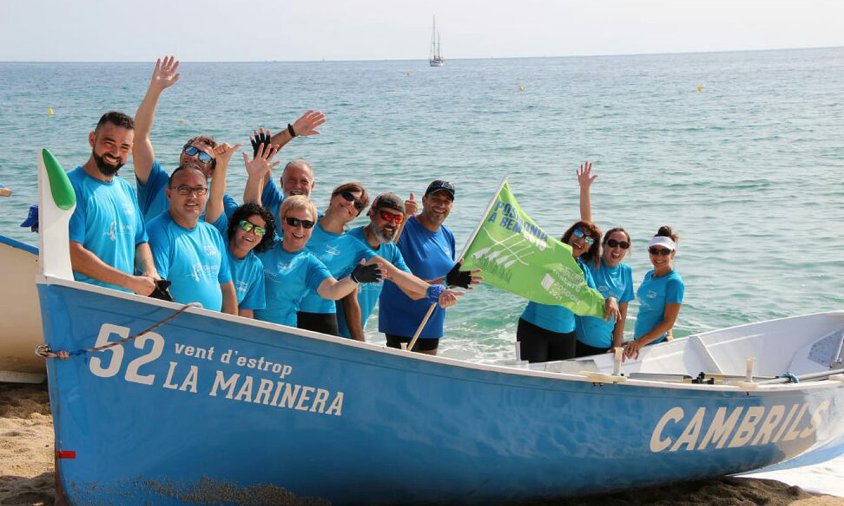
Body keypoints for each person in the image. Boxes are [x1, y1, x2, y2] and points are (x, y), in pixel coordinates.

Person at [133, 56, 324, 221]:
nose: (194, 157)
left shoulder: (221, 203)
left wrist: (255, 177)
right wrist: (155, 90)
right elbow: (140, 137)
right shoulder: (157, 182)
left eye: (205, 157)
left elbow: (250, 219)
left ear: (211, 173)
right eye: (191, 150)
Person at [336, 192, 463, 341]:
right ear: (371, 212)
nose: (392, 223)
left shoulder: (390, 250)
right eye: (387, 216)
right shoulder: (352, 241)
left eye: (398, 219)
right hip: (330, 332)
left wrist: (442, 287)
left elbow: (411, 290)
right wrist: (359, 343)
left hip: (352, 334)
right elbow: (349, 300)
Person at [378, 180, 480, 355]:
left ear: (451, 206)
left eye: (446, 201)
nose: (441, 205)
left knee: (426, 380)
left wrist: (456, 281)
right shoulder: (406, 226)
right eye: (436, 198)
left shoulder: (448, 235)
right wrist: (404, 217)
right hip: (401, 320)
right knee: (405, 380)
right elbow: (385, 253)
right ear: (424, 200)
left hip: (432, 319)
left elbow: (444, 279)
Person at [253, 195, 383, 328]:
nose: (300, 229)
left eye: (307, 224)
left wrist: (354, 279)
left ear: (312, 228)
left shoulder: (310, 264)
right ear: (283, 221)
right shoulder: (265, 243)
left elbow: (332, 290)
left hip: (280, 332)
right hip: (245, 323)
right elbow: (251, 210)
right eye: (294, 221)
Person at [68, 111, 158, 295]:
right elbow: (73, 254)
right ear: (92, 139)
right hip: (86, 300)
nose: (115, 153)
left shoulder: (126, 189)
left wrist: (150, 270)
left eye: (124, 147)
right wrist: (130, 282)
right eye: (108, 143)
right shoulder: (72, 186)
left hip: (125, 301)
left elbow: (140, 240)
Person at [517, 221, 620, 363]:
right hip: (535, 329)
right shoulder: (548, 254)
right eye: (578, 233)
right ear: (569, 234)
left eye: (589, 240)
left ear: (589, 248)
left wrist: (611, 300)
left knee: (559, 383)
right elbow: (521, 260)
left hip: (566, 336)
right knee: (533, 380)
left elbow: (594, 299)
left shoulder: (583, 270)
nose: (581, 240)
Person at [146, 166, 237, 314]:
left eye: (199, 190)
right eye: (184, 189)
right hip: (177, 330)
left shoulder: (212, 233)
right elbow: (155, 293)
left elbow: (226, 287)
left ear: (206, 194)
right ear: (169, 194)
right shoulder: (158, 232)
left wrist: (233, 331)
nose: (192, 196)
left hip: (212, 330)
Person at [205, 140, 279, 318]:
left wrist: (256, 178)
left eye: (259, 231)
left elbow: (246, 310)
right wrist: (222, 164)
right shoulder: (219, 235)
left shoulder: (255, 266)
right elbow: (216, 199)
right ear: (235, 224)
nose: (251, 233)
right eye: (247, 226)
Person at [294, 182, 380, 335]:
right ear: (333, 196)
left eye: (358, 204)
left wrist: (429, 291)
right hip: (285, 310)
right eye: (347, 196)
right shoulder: (304, 220)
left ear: (356, 214)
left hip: (321, 317)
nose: (351, 203)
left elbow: (394, 273)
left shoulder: (353, 246)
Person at [574, 161, 635, 357]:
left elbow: (622, 316)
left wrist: (617, 347)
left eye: (623, 245)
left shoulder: (626, 272)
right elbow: (587, 226)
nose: (617, 249)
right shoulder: (592, 262)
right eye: (612, 243)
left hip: (604, 346)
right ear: (603, 245)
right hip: (576, 341)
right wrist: (584, 189)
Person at [623, 226, 685, 361]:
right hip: (641, 341)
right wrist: (637, 342)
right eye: (654, 251)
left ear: (673, 253)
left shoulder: (674, 282)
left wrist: (639, 343)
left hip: (654, 345)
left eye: (665, 252)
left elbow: (669, 321)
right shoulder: (649, 275)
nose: (659, 256)